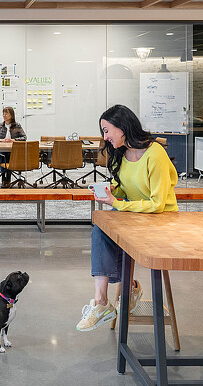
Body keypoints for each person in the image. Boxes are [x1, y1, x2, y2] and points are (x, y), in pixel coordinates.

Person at [76, 104, 178, 332]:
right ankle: (102, 301)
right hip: (135, 215)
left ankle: (128, 289)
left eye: (106, 131)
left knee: (115, 233)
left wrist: (117, 203)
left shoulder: (155, 154)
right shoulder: (122, 153)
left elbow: (157, 204)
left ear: (122, 127)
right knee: (101, 227)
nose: (105, 137)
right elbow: (126, 188)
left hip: (161, 219)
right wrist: (112, 191)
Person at [0, 106, 27, 187]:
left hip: (13, 150)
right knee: (3, 155)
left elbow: (24, 137)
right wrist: (1, 140)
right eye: (3, 113)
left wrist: (13, 140)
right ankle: (4, 179)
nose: (4, 115)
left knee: (10, 157)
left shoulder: (17, 126)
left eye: (6, 113)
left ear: (11, 115)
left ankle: (7, 179)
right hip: (2, 149)